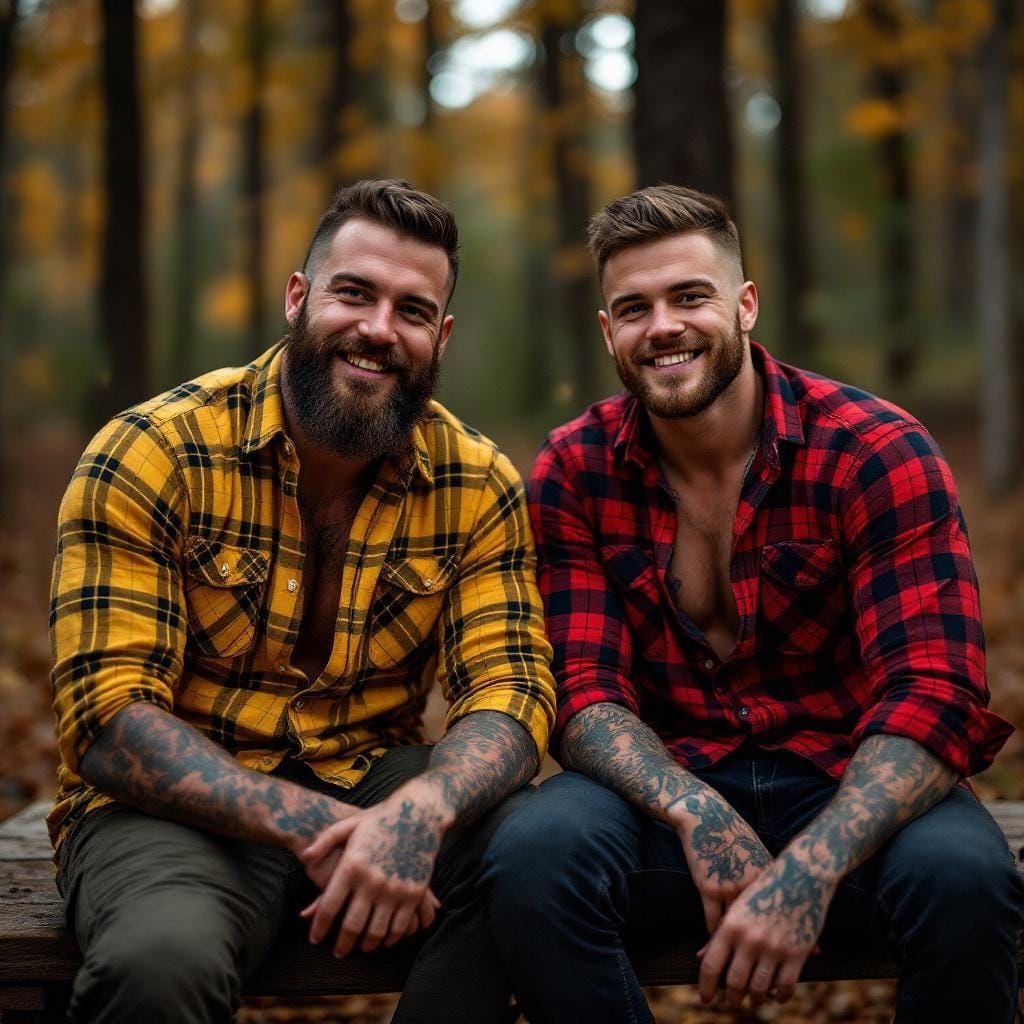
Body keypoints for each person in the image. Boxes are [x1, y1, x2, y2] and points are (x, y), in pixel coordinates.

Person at [481, 184, 1022, 1022]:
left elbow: (935, 692)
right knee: (533, 854)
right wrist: (695, 810)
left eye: (690, 296)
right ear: (607, 331)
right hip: (665, 796)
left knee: (969, 880)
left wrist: (810, 868)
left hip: (851, 780)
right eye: (634, 307)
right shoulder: (574, 468)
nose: (663, 325)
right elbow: (584, 690)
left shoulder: (874, 450)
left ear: (745, 306)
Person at [49, 178, 555, 1024]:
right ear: (298, 297)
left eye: (413, 309)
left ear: (442, 335)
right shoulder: (150, 452)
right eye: (353, 293)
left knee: (534, 857)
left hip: (377, 777)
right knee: (158, 964)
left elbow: (513, 690)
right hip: (176, 806)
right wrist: (320, 823)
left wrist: (419, 813)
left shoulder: (477, 480)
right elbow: (106, 719)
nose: (378, 330)